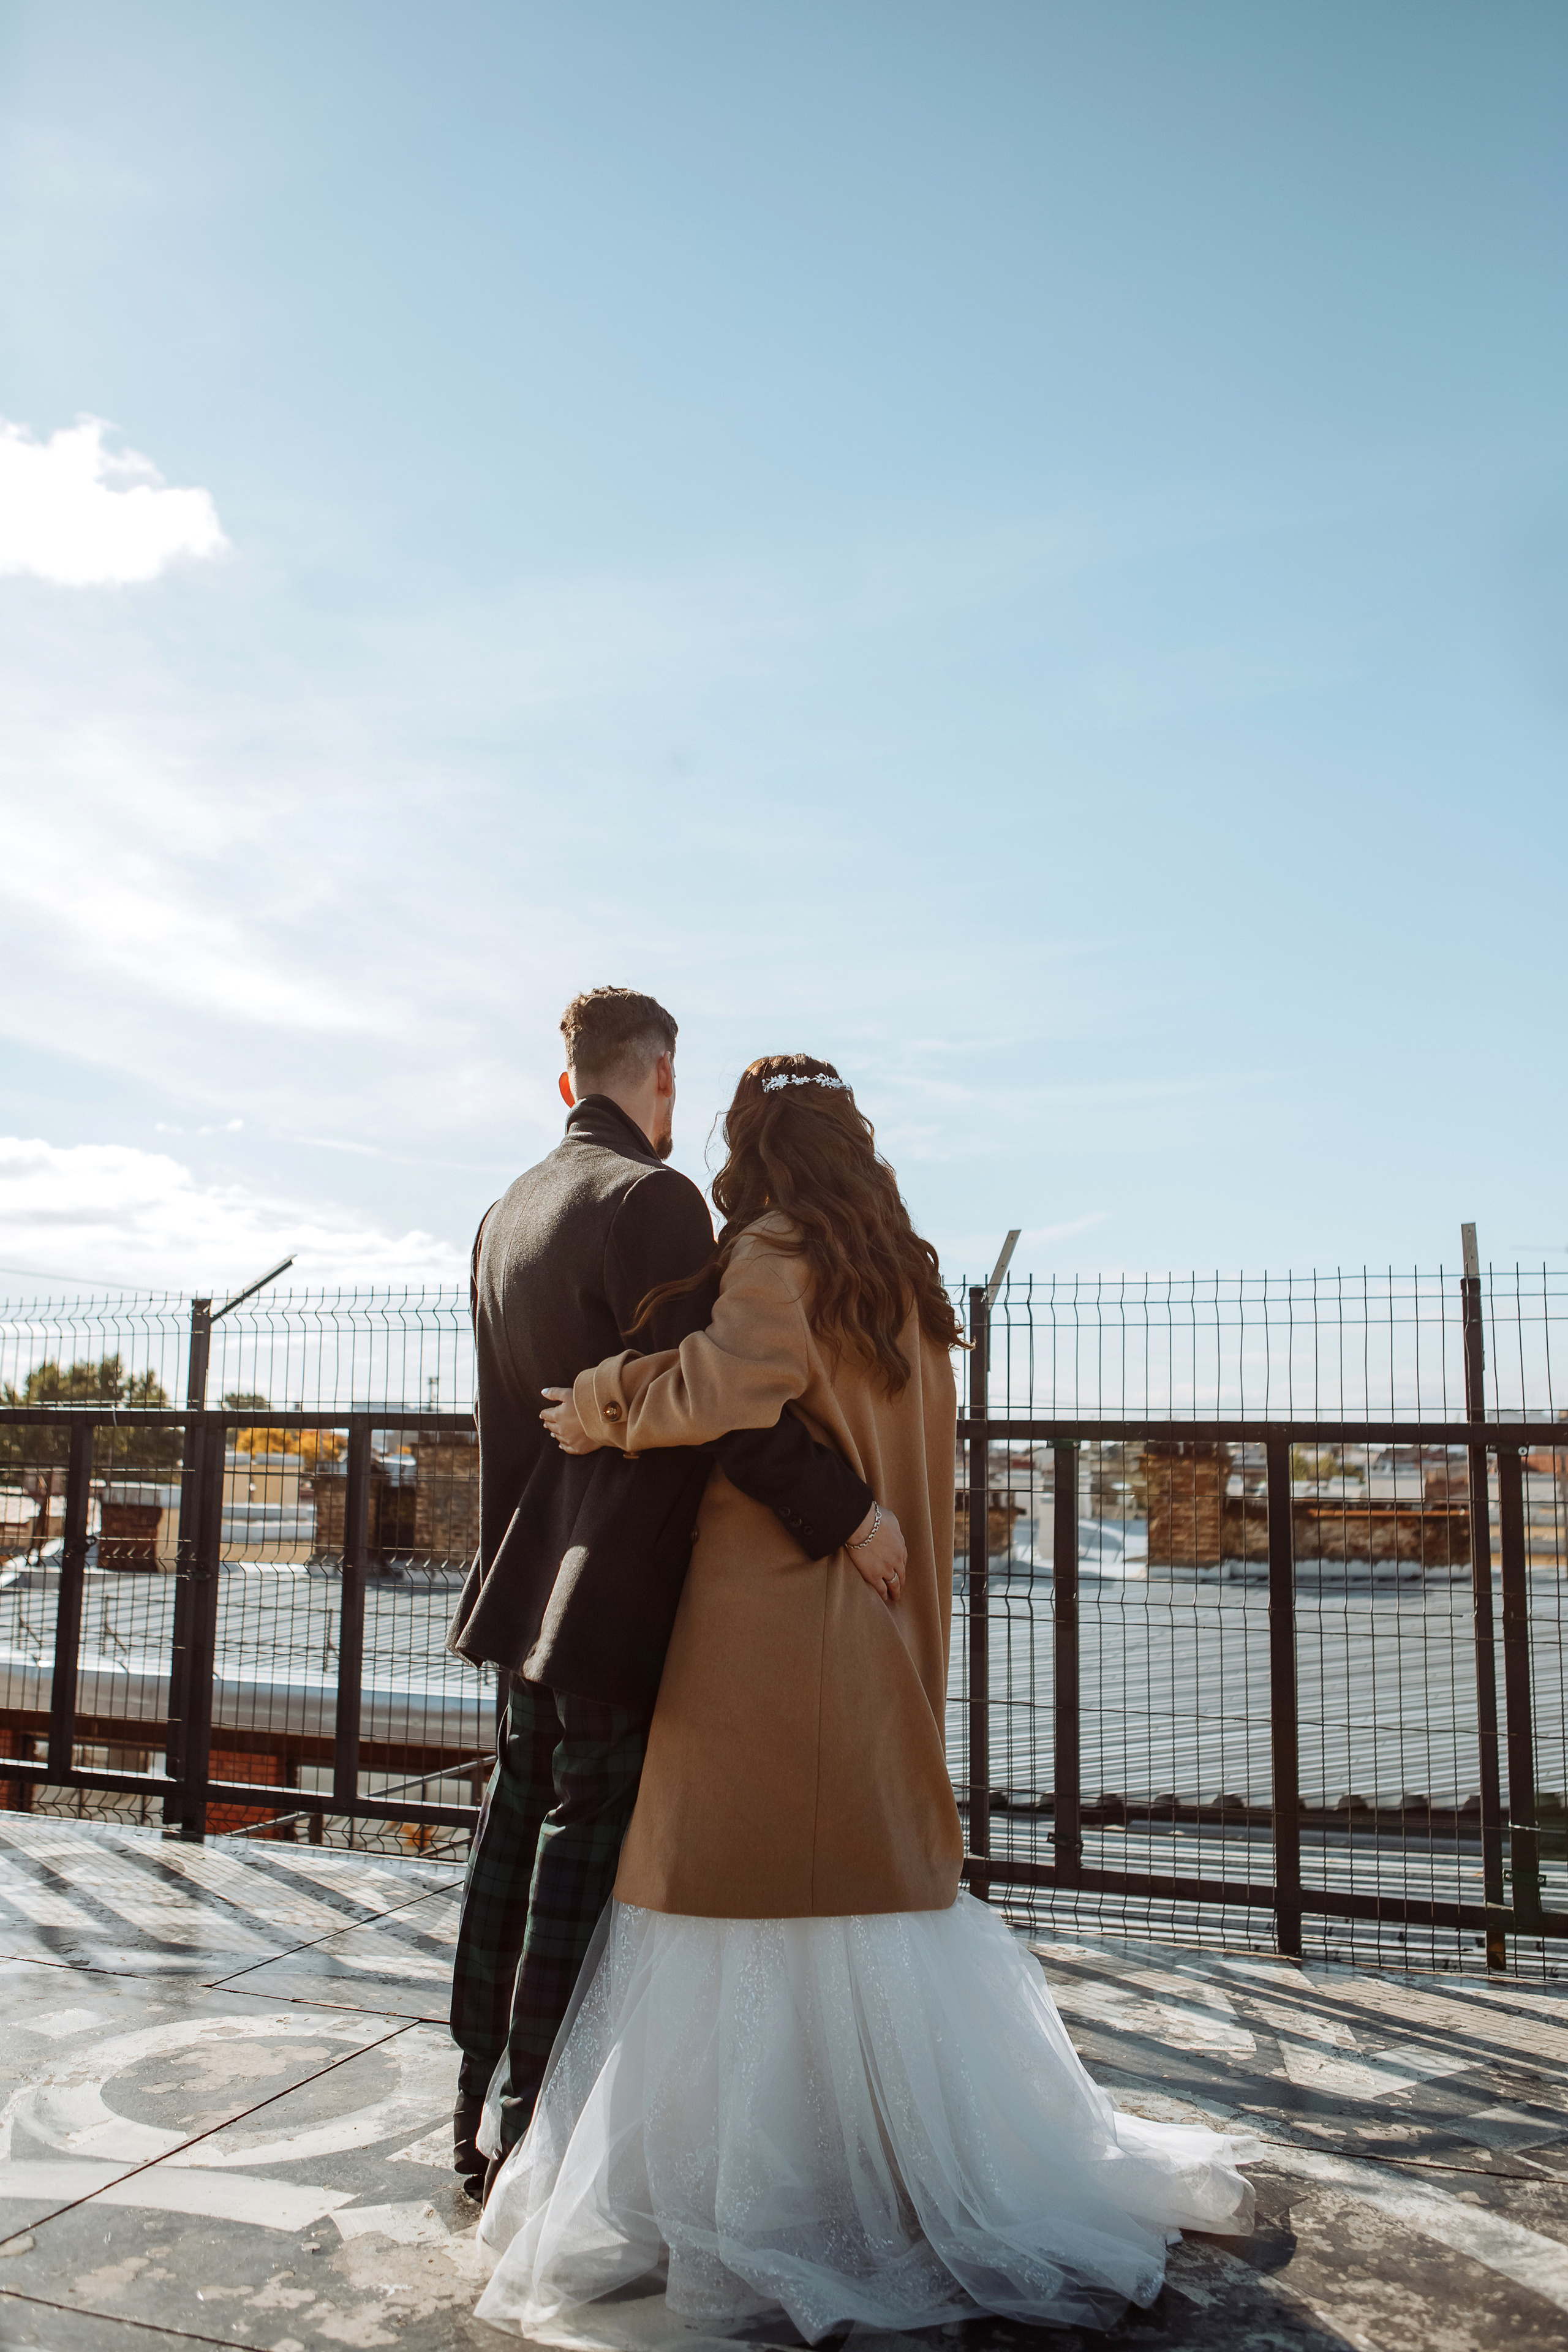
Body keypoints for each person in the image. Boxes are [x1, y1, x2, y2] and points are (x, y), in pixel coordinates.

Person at [473, 1052, 1254, 2340]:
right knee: (857, 1899)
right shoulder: (901, 1278)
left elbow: (728, 1389)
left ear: (756, 1152)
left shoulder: (776, 1250)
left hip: (775, 1623)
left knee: (732, 1892)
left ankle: (757, 2187)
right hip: (879, 1623)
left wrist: (603, 1403)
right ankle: (866, 2165)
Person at [446, 994, 893, 2198]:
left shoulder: (505, 1212)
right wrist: (847, 1512)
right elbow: (720, 1403)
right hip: (609, 1583)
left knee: (513, 1823)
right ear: (663, 1080)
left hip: (520, 1579)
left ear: (567, 1085)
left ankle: (473, 2098)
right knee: (581, 1841)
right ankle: (533, 2127)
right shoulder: (651, 1198)